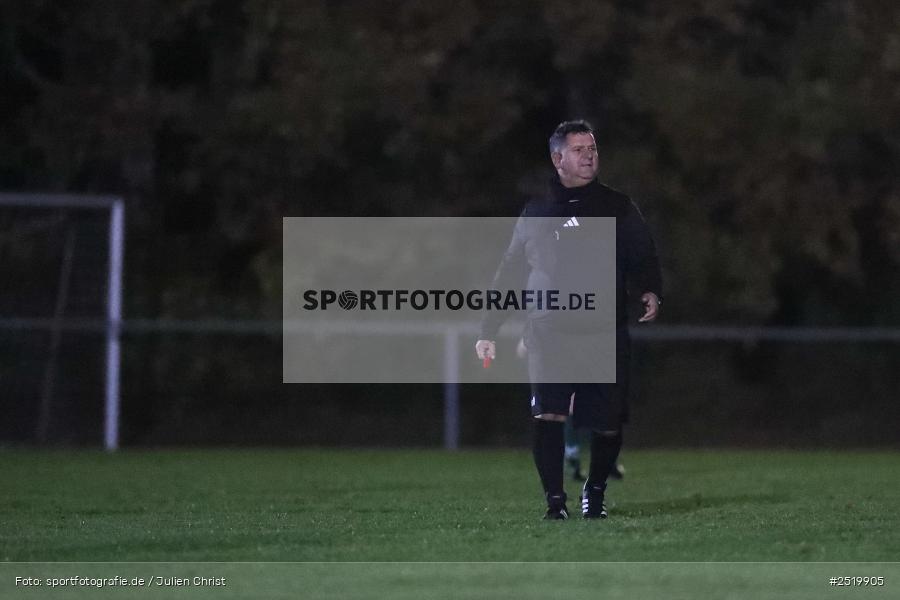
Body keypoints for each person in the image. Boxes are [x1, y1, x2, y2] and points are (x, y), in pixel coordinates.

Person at [476, 120, 661, 520]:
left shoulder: (617, 206)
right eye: (580, 150)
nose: (589, 155)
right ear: (558, 158)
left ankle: (594, 493)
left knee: (608, 423)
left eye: (592, 148)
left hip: (604, 331)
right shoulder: (537, 210)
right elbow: (509, 270)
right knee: (548, 414)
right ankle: (554, 502)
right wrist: (489, 329)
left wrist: (650, 288)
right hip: (550, 331)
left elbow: (642, 253)